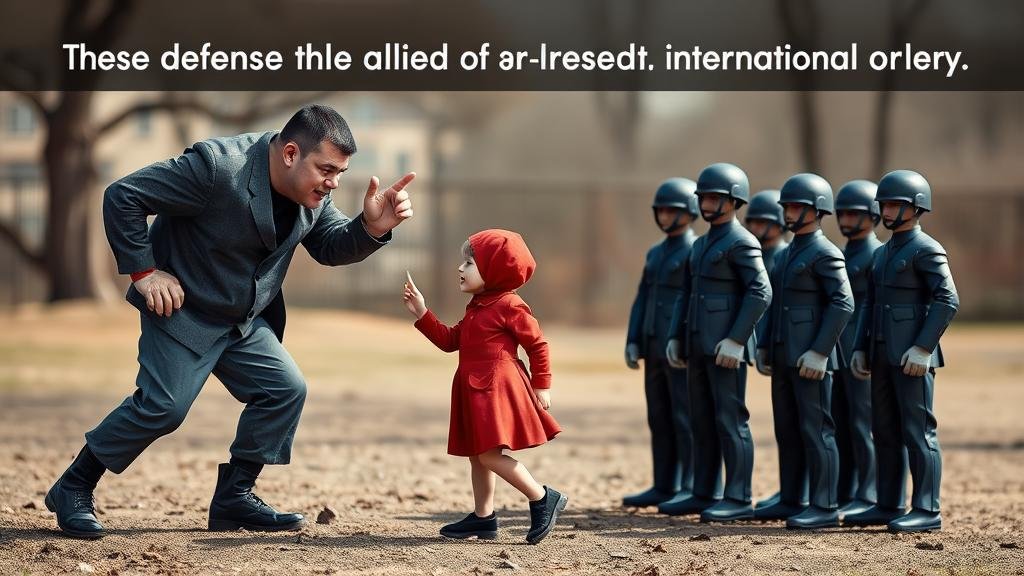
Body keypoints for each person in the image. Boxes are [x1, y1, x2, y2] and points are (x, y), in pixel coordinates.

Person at [45, 104, 416, 539]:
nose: (333, 182)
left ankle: (234, 498)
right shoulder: (216, 168)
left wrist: (372, 229)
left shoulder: (312, 192)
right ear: (292, 153)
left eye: (339, 172)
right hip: (184, 309)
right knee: (163, 407)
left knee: (284, 389)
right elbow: (123, 196)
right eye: (327, 170)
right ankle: (74, 486)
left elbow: (330, 246)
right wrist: (144, 271)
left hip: (245, 320)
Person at [402, 230, 567, 544]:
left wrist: (542, 384)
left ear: (495, 270)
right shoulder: (478, 306)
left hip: (496, 389)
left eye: (470, 262)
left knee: (490, 456)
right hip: (476, 390)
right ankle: (483, 517)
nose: (460, 268)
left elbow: (538, 345)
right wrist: (422, 312)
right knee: (478, 456)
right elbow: (451, 341)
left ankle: (543, 497)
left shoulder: (510, 305)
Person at [845, 170, 959, 532]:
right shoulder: (881, 254)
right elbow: (868, 304)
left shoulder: (926, 249)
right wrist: (861, 346)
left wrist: (924, 347)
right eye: (885, 204)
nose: (888, 211)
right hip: (880, 355)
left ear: (917, 207)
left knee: (918, 431)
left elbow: (947, 299)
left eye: (896, 204)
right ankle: (888, 502)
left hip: (912, 358)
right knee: (885, 430)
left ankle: (926, 508)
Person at [665, 163, 772, 522]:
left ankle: (738, 496)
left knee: (730, 421)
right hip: (697, 345)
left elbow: (760, 291)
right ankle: (703, 491)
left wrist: (736, 339)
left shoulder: (742, 242)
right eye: (704, 197)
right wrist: (676, 336)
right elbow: (686, 294)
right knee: (701, 419)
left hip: (726, 350)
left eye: (715, 197)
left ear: (734, 201)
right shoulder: (700, 244)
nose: (707, 203)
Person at [754, 174, 854, 529]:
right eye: (787, 207)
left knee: (818, 430)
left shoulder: (825, 252)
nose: (790, 213)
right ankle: (791, 497)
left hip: (811, 359)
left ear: (817, 210)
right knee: (788, 429)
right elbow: (774, 304)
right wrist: (765, 345)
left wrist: (820, 351)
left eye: (797, 207)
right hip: (784, 356)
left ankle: (825, 505)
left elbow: (843, 303)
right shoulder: (787, 253)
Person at [623, 178, 699, 513]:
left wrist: (681, 340)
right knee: (659, 416)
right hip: (652, 345)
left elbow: (693, 302)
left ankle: (690, 483)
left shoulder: (695, 251)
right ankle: (664, 482)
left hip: (677, 348)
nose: (665, 216)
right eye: (662, 210)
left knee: (684, 416)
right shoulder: (655, 253)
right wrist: (633, 338)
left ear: (690, 213)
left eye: (673, 210)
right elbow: (642, 298)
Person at [832, 180, 883, 519]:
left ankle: (869, 491)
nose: (846, 219)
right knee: (841, 422)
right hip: (836, 349)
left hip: (859, 351)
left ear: (873, 216)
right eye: (842, 212)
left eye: (855, 213)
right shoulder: (843, 253)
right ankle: (844, 488)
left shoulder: (875, 255)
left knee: (864, 423)